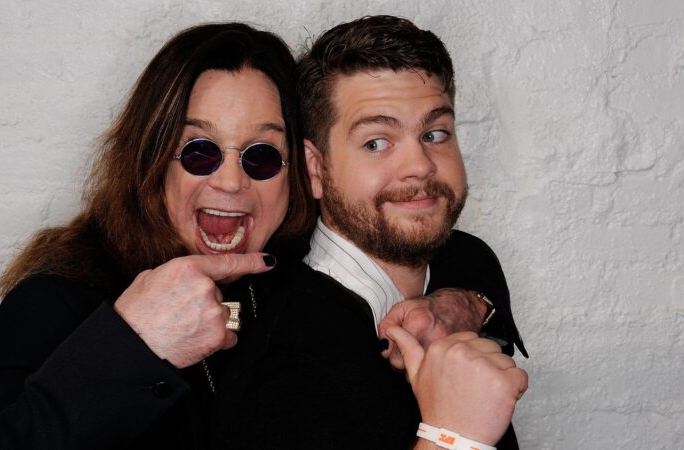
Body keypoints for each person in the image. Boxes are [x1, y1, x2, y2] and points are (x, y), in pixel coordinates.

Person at [0, 22, 315, 449]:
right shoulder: (56, 302)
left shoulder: (311, 294)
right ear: (152, 161)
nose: (231, 182)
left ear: (300, 173)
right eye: (200, 151)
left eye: (263, 156)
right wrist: (132, 344)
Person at [208, 16, 528, 450]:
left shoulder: (458, 262)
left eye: (434, 133)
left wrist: (467, 304)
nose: (421, 165)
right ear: (315, 169)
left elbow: (469, 258)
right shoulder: (288, 371)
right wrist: (455, 440)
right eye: (376, 142)